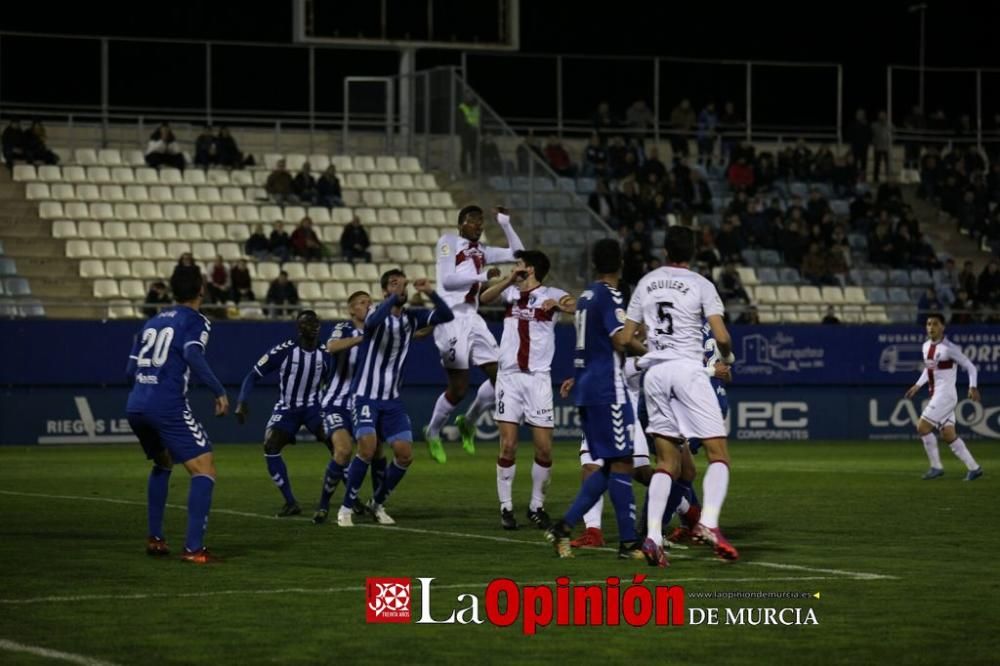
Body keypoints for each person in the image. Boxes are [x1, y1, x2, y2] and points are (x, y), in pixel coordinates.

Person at [623, 225, 739, 564]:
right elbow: (722, 335)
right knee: (719, 455)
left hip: (655, 375)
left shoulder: (646, 282)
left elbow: (626, 336)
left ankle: (653, 537)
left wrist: (652, 351)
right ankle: (709, 524)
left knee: (667, 463)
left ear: (665, 252)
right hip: (688, 371)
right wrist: (727, 356)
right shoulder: (701, 284)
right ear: (691, 253)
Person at [544, 238, 647, 561]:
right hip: (609, 389)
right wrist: (653, 352)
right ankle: (629, 543)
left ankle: (564, 526)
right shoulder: (611, 294)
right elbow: (621, 339)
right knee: (624, 463)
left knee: (609, 464)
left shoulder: (586, 296)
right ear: (620, 264)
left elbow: (588, 341)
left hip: (588, 388)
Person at [125, 267, 228, 564]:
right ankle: (194, 549)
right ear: (201, 290)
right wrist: (218, 390)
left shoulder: (151, 321)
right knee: (205, 468)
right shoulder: (196, 320)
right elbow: (194, 354)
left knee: (163, 462)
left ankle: (155, 538)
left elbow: (129, 371)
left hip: (136, 404)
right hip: (166, 404)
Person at [336, 270, 454, 527]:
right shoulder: (373, 313)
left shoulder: (412, 318)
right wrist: (393, 295)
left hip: (392, 400)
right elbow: (372, 321)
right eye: (392, 283)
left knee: (404, 454)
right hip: (365, 396)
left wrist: (430, 292)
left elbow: (447, 315)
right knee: (367, 449)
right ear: (384, 292)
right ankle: (345, 507)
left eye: (402, 283)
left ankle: (377, 503)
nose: (400, 287)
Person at [479, 250, 575, 530]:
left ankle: (536, 506)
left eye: (519, 264)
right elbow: (484, 299)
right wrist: (509, 279)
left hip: (538, 379)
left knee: (544, 450)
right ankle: (506, 507)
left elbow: (576, 305)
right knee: (508, 444)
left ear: (531, 269)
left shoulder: (553, 292)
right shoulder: (510, 293)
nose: (516, 267)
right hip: (509, 378)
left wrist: (558, 306)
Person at [423, 205, 525, 463]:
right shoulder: (448, 242)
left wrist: (505, 223)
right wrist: (481, 276)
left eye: (481, 221)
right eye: (473, 220)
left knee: (501, 377)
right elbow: (447, 281)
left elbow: (518, 253)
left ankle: (468, 422)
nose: (478, 225)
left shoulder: (482, 251)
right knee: (458, 388)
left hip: (473, 317)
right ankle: (432, 431)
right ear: (461, 225)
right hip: (451, 317)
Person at [234, 310, 334, 517]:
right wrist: (242, 401)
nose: (314, 326)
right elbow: (253, 375)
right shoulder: (284, 351)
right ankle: (290, 502)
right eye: (308, 323)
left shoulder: (326, 354)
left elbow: (334, 383)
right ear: (299, 328)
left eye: (316, 322)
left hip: (314, 408)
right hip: (287, 408)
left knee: (337, 444)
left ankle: (353, 499)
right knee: (270, 445)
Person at [312, 290, 377, 524]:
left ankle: (376, 505)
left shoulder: (379, 331)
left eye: (370, 302)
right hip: (336, 403)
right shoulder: (344, 328)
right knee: (343, 451)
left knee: (377, 453)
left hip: (364, 403)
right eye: (362, 303)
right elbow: (331, 346)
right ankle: (323, 506)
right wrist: (362, 338)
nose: (368, 306)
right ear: (351, 310)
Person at [904, 314, 984, 481]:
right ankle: (974, 468)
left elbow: (970, 367)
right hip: (936, 395)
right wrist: (918, 385)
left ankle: (936, 467)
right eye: (928, 324)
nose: (930, 327)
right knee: (948, 435)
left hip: (945, 396)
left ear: (942, 327)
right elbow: (929, 369)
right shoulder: (926, 346)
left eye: (935, 324)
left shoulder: (949, 348)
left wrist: (972, 386)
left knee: (922, 427)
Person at [458, 90, 480, 174]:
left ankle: (474, 171)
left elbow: (478, 118)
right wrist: (469, 125)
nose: (470, 96)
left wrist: (477, 127)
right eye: (468, 95)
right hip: (465, 132)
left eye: (471, 95)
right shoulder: (462, 106)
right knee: (464, 151)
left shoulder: (476, 105)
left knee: (473, 152)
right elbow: (460, 119)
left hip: (474, 132)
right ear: (465, 96)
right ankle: (463, 170)